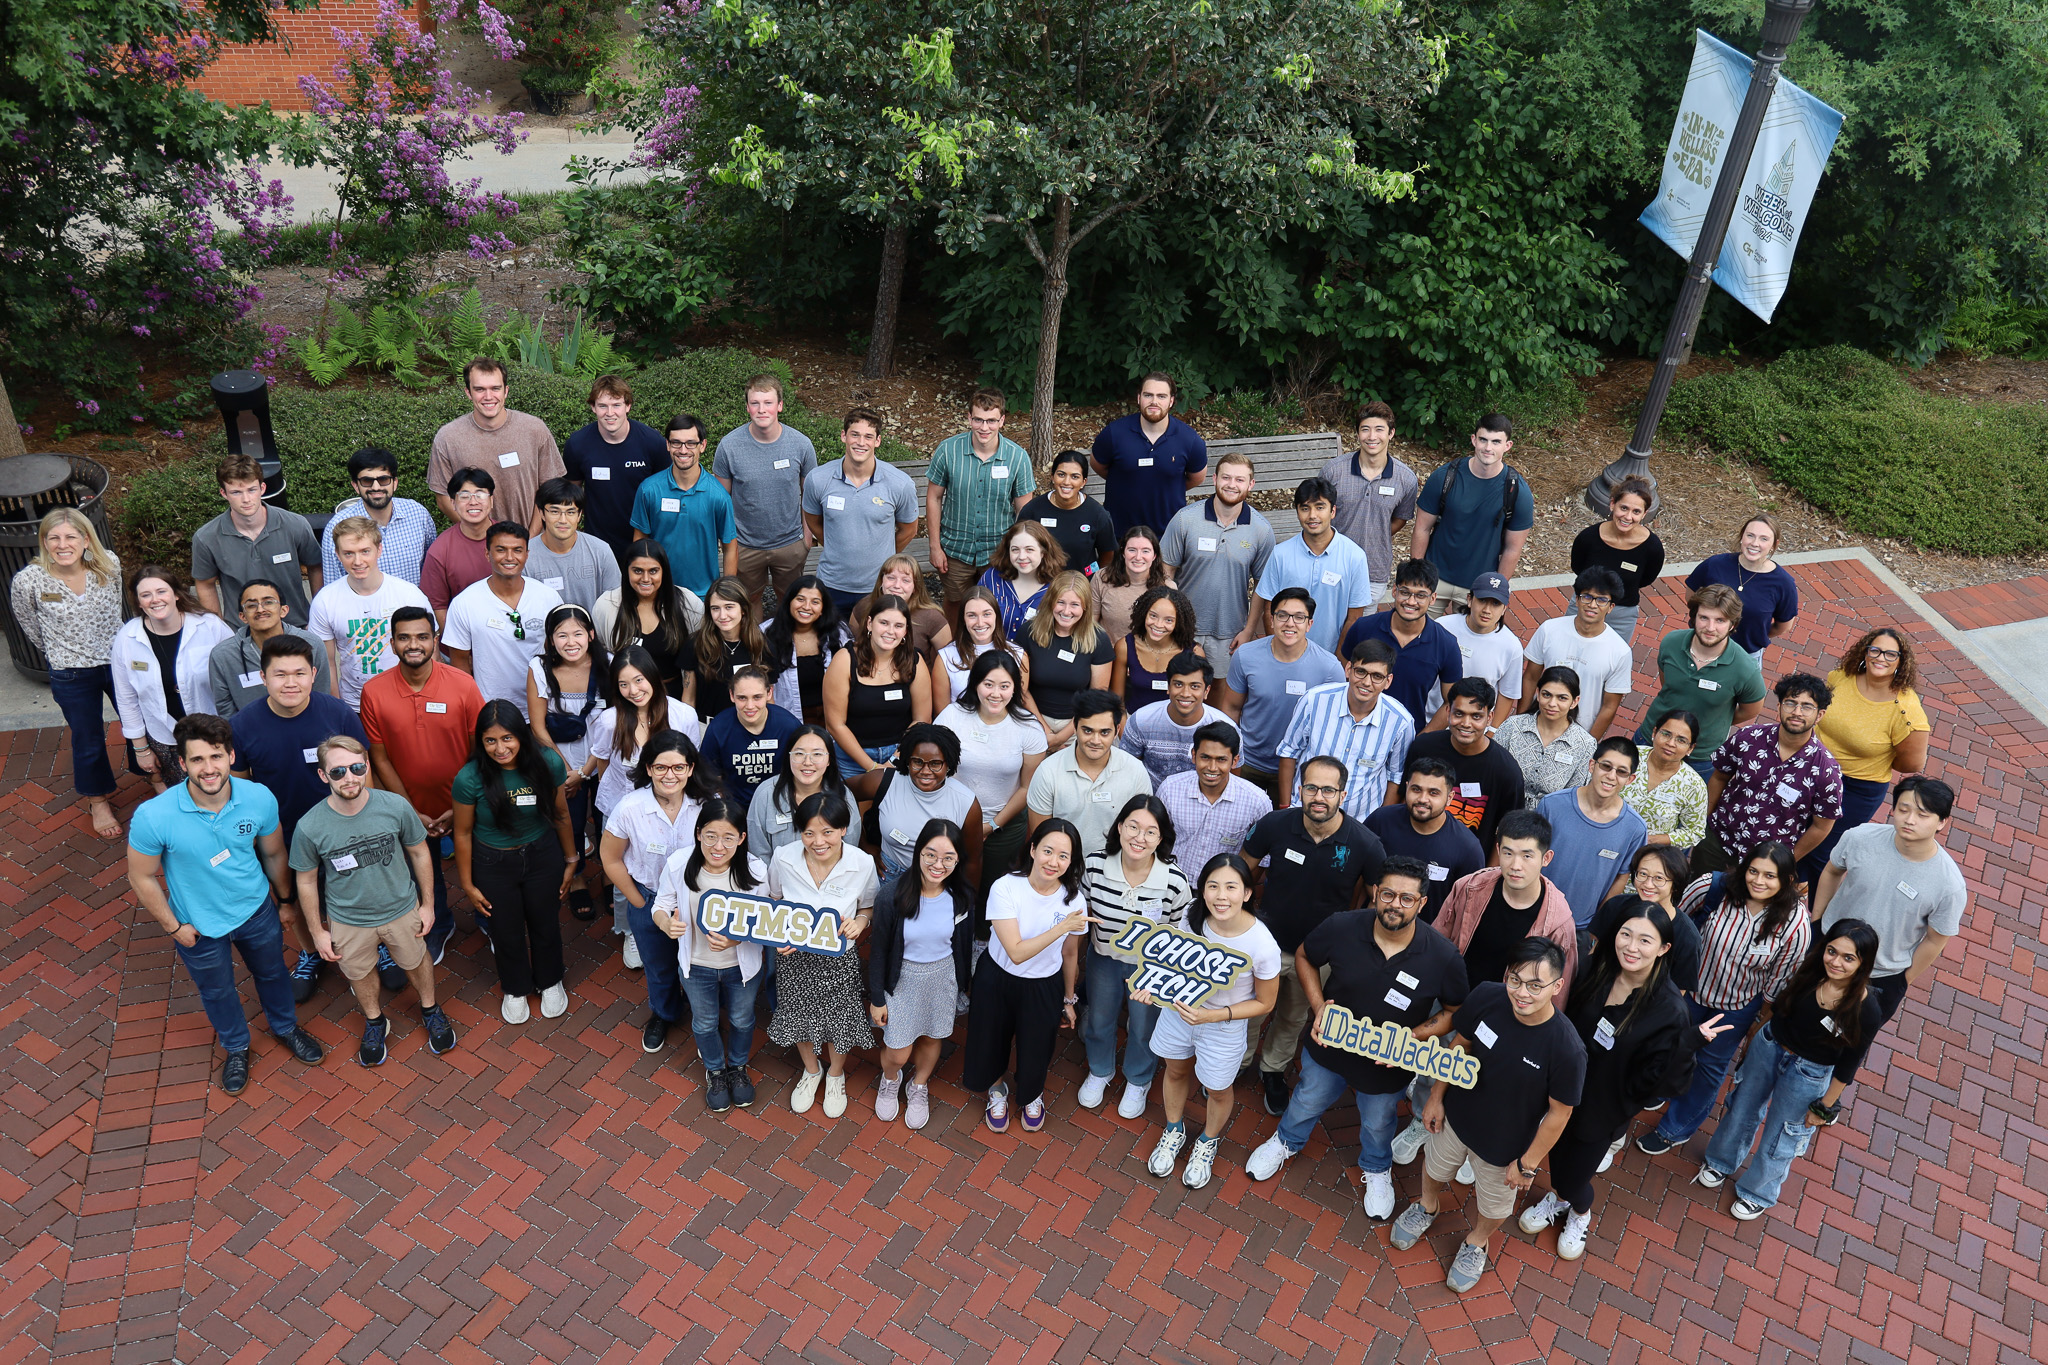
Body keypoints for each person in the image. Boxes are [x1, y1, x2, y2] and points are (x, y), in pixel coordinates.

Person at [1245, 857, 1468, 1217]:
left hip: (1387, 1065)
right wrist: (1319, 1006)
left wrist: (1413, 1036)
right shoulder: (1342, 926)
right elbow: (1304, 956)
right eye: (1388, 894)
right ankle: (1286, 1141)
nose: (1395, 904)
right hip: (1329, 1048)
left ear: (1422, 903)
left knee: (1379, 1123)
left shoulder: (1443, 956)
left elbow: (1455, 1011)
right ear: (1375, 893)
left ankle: (1377, 1168)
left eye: (1407, 898)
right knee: (1306, 1099)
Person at [125, 714, 326, 1095]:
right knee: (217, 992)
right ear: (182, 763)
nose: (208, 768)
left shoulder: (258, 797)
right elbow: (141, 877)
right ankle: (236, 1047)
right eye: (197, 759)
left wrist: (285, 902)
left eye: (216, 756)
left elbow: (274, 854)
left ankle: (285, 1027)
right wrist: (173, 927)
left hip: (256, 911)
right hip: (197, 926)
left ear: (231, 756)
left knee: (273, 974)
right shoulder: (154, 816)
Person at [1518, 906, 1722, 1259]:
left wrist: (1686, 1046)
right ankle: (1561, 1198)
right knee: (1555, 1155)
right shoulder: (1598, 968)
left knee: (1572, 1177)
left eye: (1645, 940)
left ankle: (1579, 1211)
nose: (1631, 946)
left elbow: (1658, 1083)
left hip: (1602, 1107)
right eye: (1626, 934)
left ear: (1663, 948)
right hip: (1561, 1090)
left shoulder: (1669, 1010)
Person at [1390, 937, 1583, 1294]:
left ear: (1557, 987)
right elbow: (1460, 1044)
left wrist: (1527, 1164)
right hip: (1455, 1119)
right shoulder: (1488, 996)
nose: (1521, 993)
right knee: (1434, 1169)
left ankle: (1476, 1243)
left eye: (1535, 985)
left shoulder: (1567, 1049)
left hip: (1504, 1147)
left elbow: (1560, 1114)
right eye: (1515, 979)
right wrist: (1436, 1097)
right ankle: (1427, 1207)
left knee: (1494, 1208)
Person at [1696, 919, 1884, 1220]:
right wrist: (1757, 1037)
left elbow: (1849, 1064)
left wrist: (1824, 1108)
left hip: (1809, 1073)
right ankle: (1720, 1161)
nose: (1835, 962)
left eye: (1848, 958)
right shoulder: (1810, 971)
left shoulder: (1867, 1010)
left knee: (1783, 1134)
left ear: (1864, 963)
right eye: (1832, 951)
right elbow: (1781, 1005)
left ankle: (1758, 1192)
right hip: (1770, 1046)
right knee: (1741, 1106)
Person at [1636, 840, 1811, 1155]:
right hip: (1686, 991)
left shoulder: (1795, 923)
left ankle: (1675, 1128)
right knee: (1666, 1042)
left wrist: (1758, 1022)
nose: (1759, 881)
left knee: (1708, 1067)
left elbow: (1781, 978)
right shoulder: (1714, 888)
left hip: (1736, 1006)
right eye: (1753, 871)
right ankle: (1659, 1088)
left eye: (1770, 876)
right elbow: (1672, 921)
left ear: (1786, 880)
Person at [290, 735, 455, 1066]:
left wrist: (427, 905)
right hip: (348, 919)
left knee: (416, 960)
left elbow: (420, 852)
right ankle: (375, 1020)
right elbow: (305, 880)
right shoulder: (309, 826)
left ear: (366, 766)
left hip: (401, 908)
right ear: (323, 775)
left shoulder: (395, 806)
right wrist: (317, 931)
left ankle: (430, 1008)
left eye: (356, 768)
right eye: (338, 772)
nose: (349, 777)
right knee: (359, 972)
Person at [1241, 755, 1386, 1113]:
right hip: (1265, 945)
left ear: (1343, 794)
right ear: (1299, 789)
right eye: (1311, 788)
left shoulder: (1365, 843)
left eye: (1328, 790)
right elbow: (1241, 871)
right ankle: (1238, 1061)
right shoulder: (1275, 824)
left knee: (1293, 1016)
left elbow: (1377, 901)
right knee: (1250, 1011)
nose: (1319, 797)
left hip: (1318, 955)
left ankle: (1272, 1069)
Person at [229, 633, 370, 1000]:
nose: (290, 683)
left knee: (353, 891)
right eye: (280, 674)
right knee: (292, 899)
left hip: (342, 828)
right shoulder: (243, 725)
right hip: (283, 835)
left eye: (299, 673)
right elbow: (240, 786)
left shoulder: (337, 714)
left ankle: (373, 946)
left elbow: (362, 770)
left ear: (314, 674)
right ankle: (310, 952)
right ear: (264, 677)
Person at [1140, 853, 1284, 1189]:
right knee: (1175, 1070)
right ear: (1202, 890)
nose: (1221, 896)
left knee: (1218, 1090)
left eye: (1231, 887)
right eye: (1213, 886)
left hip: (1223, 1026)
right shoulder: (1193, 916)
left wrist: (1213, 1015)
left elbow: (1266, 1002)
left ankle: (1207, 1141)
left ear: (1247, 893)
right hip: (1178, 1013)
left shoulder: (1262, 945)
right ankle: (1173, 1129)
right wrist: (1153, 985)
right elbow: (1173, 963)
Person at [362, 606, 486, 962]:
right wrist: (409, 811)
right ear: (392, 643)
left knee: (481, 866)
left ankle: (487, 921)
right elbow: (379, 758)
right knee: (421, 874)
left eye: (421, 636)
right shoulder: (374, 691)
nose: (413, 645)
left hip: (464, 804)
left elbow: (479, 751)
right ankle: (440, 924)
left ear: (435, 639)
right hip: (409, 808)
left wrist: (460, 805)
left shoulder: (463, 684)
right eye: (404, 638)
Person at [960, 818, 1089, 1133]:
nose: (1053, 861)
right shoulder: (1005, 887)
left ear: (1071, 861)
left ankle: (1031, 1094)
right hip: (998, 977)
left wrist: (1068, 998)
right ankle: (996, 1090)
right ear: (1032, 850)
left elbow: (1070, 954)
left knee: (1037, 1046)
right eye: (1048, 851)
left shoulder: (1074, 900)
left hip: (1044, 984)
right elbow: (1016, 952)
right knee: (991, 1039)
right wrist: (1061, 927)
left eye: (1063, 856)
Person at [452, 701, 577, 1023]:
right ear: (480, 741)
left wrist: (571, 858)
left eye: (507, 738)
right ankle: (516, 987)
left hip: (542, 854)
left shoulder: (548, 762)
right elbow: (462, 833)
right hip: (493, 862)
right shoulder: (469, 778)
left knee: (545, 922)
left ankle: (550, 980)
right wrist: (467, 883)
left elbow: (561, 813)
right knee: (505, 930)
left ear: (521, 735)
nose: (500, 748)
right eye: (490, 740)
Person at [1809, 775, 1966, 1029]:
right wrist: (1818, 922)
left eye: (1922, 815)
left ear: (1942, 822)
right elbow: (1832, 871)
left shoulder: (1949, 885)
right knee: (1792, 1010)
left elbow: (1936, 939)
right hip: (1828, 950)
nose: (1910, 820)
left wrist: (1903, 980)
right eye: (1903, 810)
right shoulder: (1860, 837)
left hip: (1880, 976)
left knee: (1842, 1039)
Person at [1076, 795, 1195, 1119]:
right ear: (1119, 827)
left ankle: (1138, 1078)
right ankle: (1100, 1070)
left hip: (1151, 968)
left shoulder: (1174, 881)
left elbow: (1179, 935)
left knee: (1143, 1026)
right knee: (1100, 1019)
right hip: (1103, 958)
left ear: (1161, 837)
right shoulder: (1095, 865)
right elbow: (1082, 912)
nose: (1139, 838)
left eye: (1150, 831)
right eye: (1133, 827)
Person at [646, 796, 767, 1109]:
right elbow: (661, 905)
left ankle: (737, 1067)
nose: (718, 846)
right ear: (698, 833)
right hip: (696, 965)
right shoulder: (679, 864)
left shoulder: (755, 870)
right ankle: (715, 1071)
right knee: (704, 1023)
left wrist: (735, 940)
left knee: (742, 1020)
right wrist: (664, 923)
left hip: (741, 967)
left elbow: (764, 921)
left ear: (742, 838)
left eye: (728, 838)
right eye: (711, 836)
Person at [602, 729, 718, 1052]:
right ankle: (664, 1013)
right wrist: (639, 902)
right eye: (661, 767)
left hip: (697, 901)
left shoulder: (708, 804)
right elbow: (610, 859)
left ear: (690, 768)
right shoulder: (629, 808)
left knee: (701, 964)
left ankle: (705, 1018)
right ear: (648, 768)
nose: (670, 775)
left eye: (678, 767)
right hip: (649, 897)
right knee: (658, 965)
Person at [765, 791, 879, 1118]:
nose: (818, 842)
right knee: (798, 1015)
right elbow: (774, 900)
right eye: (809, 833)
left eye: (827, 832)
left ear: (843, 829)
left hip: (839, 957)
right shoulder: (783, 858)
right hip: (794, 955)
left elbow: (867, 906)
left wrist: (860, 923)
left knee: (839, 1019)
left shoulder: (861, 863)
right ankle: (811, 1070)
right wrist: (779, 935)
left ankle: (836, 1075)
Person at [13, 509, 126, 837]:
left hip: (117, 662)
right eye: (54, 538)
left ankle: (156, 775)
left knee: (141, 723)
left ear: (86, 539)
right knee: (88, 738)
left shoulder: (109, 565)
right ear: (44, 542)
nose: (62, 545)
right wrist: (59, 650)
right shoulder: (29, 581)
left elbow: (116, 610)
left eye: (70, 537)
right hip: (71, 672)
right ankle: (98, 799)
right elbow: (30, 625)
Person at [868, 819, 977, 1130]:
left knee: (931, 1038)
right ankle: (891, 1078)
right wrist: (877, 997)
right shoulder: (892, 896)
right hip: (901, 980)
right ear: (919, 853)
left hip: (942, 977)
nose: (938, 865)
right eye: (931, 855)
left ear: (957, 860)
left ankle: (919, 1085)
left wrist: (963, 985)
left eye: (948, 858)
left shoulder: (962, 897)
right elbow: (878, 951)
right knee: (898, 1050)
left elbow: (964, 945)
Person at [1806, 625, 1932, 882]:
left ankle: (1813, 903)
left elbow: (1911, 763)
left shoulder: (1906, 711)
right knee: (1794, 830)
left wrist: (1869, 757)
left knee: (1821, 854)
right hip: (1813, 769)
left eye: (1890, 654)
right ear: (1865, 652)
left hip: (1855, 788)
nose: (1880, 658)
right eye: (1875, 650)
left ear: (1901, 662)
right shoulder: (1841, 677)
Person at [1695, 674, 1843, 880]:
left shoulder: (1826, 770)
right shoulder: (1748, 738)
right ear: (1779, 706)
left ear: (1819, 715)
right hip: (1717, 841)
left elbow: (1822, 826)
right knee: (1694, 892)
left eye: (1807, 706)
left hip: (1766, 864)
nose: (1797, 712)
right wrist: (1702, 825)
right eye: (1790, 703)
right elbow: (1720, 777)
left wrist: (1787, 862)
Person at [1430, 809, 1581, 1005]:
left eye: (1527, 856)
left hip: (1505, 1015)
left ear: (1546, 858)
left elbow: (1556, 997)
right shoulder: (1469, 887)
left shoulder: (1559, 925)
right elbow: (1436, 943)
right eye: (1508, 853)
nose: (1515, 865)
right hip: (1450, 1001)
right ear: (1498, 850)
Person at [935, 651, 1048, 901]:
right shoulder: (952, 715)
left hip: (1003, 827)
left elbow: (1027, 787)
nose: (996, 694)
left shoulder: (1029, 727)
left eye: (1004, 686)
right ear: (976, 683)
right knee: (947, 888)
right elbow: (935, 769)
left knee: (994, 894)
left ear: (1014, 688)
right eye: (988, 684)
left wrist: (992, 825)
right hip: (950, 820)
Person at [112, 564, 234, 788]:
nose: (155, 599)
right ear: (138, 602)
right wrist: (141, 749)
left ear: (176, 594)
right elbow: (126, 698)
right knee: (181, 797)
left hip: (215, 734)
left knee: (222, 791)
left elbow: (235, 675)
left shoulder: (210, 626)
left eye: (161, 591)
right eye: (146, 595)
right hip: (165, 739)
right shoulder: (127, 638)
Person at [926, 387, 1035, 633]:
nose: (984, 427)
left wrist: (1019, 553)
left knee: (994, 607)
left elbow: (1025, 512)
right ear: (969, 418)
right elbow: (934, 497)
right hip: (955, 549)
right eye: (978, 420)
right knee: (955, 603)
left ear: (1002, 420)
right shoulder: (948, 450)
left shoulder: (1017, 457)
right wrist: (934, 546)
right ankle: (952, 648)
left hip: (998, 552)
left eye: (991, 421)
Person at [1214, 587, 1344, 795]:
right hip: (1248, 761)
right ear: (1272, 620)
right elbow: (1231, 708)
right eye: (1282, 615)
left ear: (1309, 624)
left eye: (1299, 617)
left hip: (1298, 768)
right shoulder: (1246, 656)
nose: (1290, 623)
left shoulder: (1329, 668)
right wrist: (1229, 754)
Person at [526, 604, 608, 918]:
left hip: (602, 763)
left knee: (607, 821)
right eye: (562, 635)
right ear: (551, 639)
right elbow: (538, 727)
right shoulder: (539, 668)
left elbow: (616, 724)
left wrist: (585, 772)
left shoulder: (609, 664)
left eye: (577, 633)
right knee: (568, 823)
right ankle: (577, 877)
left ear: (590, 635)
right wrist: (566, 771)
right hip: (561, 766)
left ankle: (610, 875)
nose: (570, 642)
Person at [1408, 413, 1534, 617]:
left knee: (1468, 638)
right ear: (1474, 439)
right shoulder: (1445, 476)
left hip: (1478, 586)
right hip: (1433, 577)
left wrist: (1495, 590)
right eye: (1483, 439)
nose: (1488, 447)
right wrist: (1417, 574)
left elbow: (1513, 548)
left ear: (1508, 446)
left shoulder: (1517, 491)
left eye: (1496, 442)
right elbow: (1422, 527)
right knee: (1416, 631)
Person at [1634, 584, 1765, 778]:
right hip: (1651, 739)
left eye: (1720, 620)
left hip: (1700, 757)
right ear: (1694, 617)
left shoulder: (1745, 669)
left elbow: (1751, 710)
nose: (1710, 628)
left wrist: (1715, 719)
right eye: (1704, 618)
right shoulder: (1671, 642)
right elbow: (1667, 683)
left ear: (1732, 624)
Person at [1275, 639, 1413, 819]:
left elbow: (1395, 777)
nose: (1367, 682)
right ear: (1348, 669)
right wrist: (1286, 808)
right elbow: (1289, 752)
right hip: (1304, 813)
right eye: (1361, 672)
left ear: (1388, 681)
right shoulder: (1314, 700)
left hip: (1361, 822)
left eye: (1377, 676)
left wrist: (1380, 823)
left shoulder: (1400, 722)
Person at [802, 405, 920, 614]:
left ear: (878, 441)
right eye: (855, 435)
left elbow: (909, 529)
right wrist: (837, 546)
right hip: (831, 583)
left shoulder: (899, 483)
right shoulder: (818, 479)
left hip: (877, 586)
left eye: (868, 436)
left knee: (875, 634)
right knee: (830, 635)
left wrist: (882, 557)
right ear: (844, 436)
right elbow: (812, 520)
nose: (861, 442)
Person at [714, 372, 818, 610]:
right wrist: (729, 542)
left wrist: (806, 538)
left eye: (768, 402)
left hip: (790, 543)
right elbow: (722, 500)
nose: (762, 409)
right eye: (755, 403)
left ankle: (784, 635)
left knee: (790, 601)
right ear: (747, 407)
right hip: (745, 545)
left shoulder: (801, 444)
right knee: (748, 602)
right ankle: (755, 637)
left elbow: (811, 495)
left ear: (779, 405)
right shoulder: (729, 446)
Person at [306, 516, 433, 709]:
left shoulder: (409, 595)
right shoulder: (325, 600)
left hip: (407, 700)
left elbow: (431, 654)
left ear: (379, 550)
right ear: (337, 555)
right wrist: (337, 708)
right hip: (354, 704)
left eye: (365, 551)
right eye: (349, 553)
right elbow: (327, 663)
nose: (358, 561)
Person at [851, 723, 984, 907]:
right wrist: (863, 844)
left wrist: (965, 905)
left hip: (939, 883)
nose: (925, 771)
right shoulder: (884, 781)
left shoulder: (966, 803)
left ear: (949, 763)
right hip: (887, 875)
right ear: (907, 760)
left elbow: (972, 861)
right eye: (918, 762)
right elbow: (842, 795)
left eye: (935, 764)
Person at [1160, 450, 1274, 662]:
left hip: (1230, 631)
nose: (1231, 485)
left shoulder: (1261, 530)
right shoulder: (1185, 520)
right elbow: (1165, 569)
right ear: (1214, 479)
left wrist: (1249, 630)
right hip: (1183, 627)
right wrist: (1169, 605)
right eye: (1226, 477)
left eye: (1239, 479)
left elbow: (1262, 586)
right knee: (1179, 681)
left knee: (1222, 683)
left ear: (1251, 484)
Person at [428, 358, 565, 531]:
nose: (488, 396)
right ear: (468, 392)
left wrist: (529, 539)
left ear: (505, 391)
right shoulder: (448, 438)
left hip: (534, 541)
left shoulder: (534, 429)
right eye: (479, 389)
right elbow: (443, 499)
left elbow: (550, 490)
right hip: (478, 542)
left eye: (495, 388)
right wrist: (480, 537)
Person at [442, 522, 563, 712]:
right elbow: (460, 663)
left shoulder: (548, 597)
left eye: (517, 550)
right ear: (487, 554)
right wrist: (473, 708)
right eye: (501, 550)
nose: (509, 557)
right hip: (491, 711)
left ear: (527, 554)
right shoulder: (465, 603)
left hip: (544, 708)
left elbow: (558, 653)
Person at [190, 454, 321, 627]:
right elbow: (205, 584)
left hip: (296, 627)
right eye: (236, 492)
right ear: (223, 493)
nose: (246, 499)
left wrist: (318, 619)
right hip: (242, 632)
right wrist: (218, 631)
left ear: (262, 488)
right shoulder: (206, 538)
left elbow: (316, 567)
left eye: (252, 490)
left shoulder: (295, 525)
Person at [1535, 737, 1650, 930]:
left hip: (1580, 928)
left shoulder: (1635, 829)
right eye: (1606, 766)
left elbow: (1621, 878)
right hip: (1532, 912)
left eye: (1621, 772)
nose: (1611, 776)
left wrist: (1597, 928)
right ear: (1592, 765)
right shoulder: (1552, 805)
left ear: (1630, 779)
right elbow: (1529, 855)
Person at [1253, 478, 1374, 655]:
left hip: (1330, 655)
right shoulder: (1280, 554)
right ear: (1297, 512)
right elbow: (1269, 609)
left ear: (1333, 511)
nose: (1312, 515)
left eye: (1319, 507)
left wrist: (1338, 662)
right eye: (1305, 508)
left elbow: (1354, 617)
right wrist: (1278, 655)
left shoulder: (1355, 557)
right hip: (1287, 655)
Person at [1405, 679, 1526, 856]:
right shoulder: (1424, 748)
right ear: (1448, 711)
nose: (1466, 723)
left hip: (1469, 865)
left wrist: (1486, 872)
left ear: (1489, 718)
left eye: (1476, 716)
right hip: (1412, 854)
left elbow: (1508, 833)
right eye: (1459, 714)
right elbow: (1402, 800)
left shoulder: (1506, 771)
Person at [1025, 690, 1152, 859]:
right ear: (1075, 727)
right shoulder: (1048, 771)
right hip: (1063, 868)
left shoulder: (1135, 770)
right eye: (1088, 731)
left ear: (1117, 731)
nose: (1095, 740)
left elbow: (1142, 832)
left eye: (1104, 732)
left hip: (1117, 867)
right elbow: (1042, 837)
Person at [1318, 401, 1419, 606]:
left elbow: (1401, 518)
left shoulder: (1406, 479)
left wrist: (1375, 534)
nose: (1372, 436)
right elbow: (1318, 513)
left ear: (1391, 433)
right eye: (1365, 429)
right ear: (1357, 434)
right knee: (1325, 616)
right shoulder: (1333, 471)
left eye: (1379, 429)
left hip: (1374, 567)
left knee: (1364, 622)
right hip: (1331, 563)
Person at [628, 412, 738, 599]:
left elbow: (730, 548)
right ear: (668, 445)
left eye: (691, 443)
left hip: (703, 596)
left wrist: (726, 594)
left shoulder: (718, 496)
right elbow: (640, 542)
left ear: (702, 446)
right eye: (676, 443)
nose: (683, 450)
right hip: (659, 593)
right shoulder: (649, 490)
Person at [1365, 756, 1486, 925]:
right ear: (1406, 787)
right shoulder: (1380, 821)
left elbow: (1466, 909)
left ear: (1450, 797)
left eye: (1433, 793)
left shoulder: (1467, 848)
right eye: (1416, 789)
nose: (1422, 799)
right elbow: (1358, 876)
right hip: (1373, 925)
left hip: (1429, 935)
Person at [1339, 559, 1463, 724]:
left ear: (1433, 598)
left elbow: (1452, 702)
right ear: (1394, 591)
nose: (1411, 601)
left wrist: (1423, 737)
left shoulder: (1446, 645)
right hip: (1354, 724)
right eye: (1405, 592)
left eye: (1420, 595)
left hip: (1409, 733)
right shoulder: (1364, 628)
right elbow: (1342, 672)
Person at [823, 593, 932, 778]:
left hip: (902, 753)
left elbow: (922, 718)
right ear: (869, 624)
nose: (890, 631)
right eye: (884, 623)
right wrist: (872, 767)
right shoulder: (845, 660)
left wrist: (894, 760)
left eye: (898, 626)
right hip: (853, 757)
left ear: (906, 631)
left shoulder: (914, 661)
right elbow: (835, 724)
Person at [563, 374, 667, 562]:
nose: (610, 413)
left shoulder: (652, 443)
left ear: (628, 406)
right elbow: (571, 494)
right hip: (597, 545)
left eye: (616, 405)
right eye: (603, 406)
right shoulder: (578, 444)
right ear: (593, 407)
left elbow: (665, 491)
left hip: (645, 543)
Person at [1090, 372, 1207, 536]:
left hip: (1168, 534)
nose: (1154, 401)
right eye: (1148, 395)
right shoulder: (1114, 433)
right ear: (1139, 398)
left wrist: (1166, 486)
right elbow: (1097, 465)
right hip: (1120, 533)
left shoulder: (1189, 439)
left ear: (1171, 401)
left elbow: (1197, 478)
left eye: (1161, 396)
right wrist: (1127, 478)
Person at [1522, 567, 1632, 737]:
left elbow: (1610, 706)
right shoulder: (1549, 629)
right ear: (1577, 600)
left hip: (1580, 733)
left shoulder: (1620, 651)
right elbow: (1530, 678)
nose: (1592, 605)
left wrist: (1589, 744)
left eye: (1602, 600)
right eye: (1587, 596)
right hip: (1538, 724)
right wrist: (1521, 722)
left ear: (1611, 607)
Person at [1157, 721, 1272, 878]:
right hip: (1172, 880)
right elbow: (1155, 838)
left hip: (1222, 888)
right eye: (1205, 757)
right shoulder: (1170, 789)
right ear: (1193, 755)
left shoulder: (1257, 801)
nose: (1212, 767)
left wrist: (1237, 886)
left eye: (1221, 759)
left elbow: (1262, 858)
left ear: (1235, 761)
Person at [209, 578, 332, 718]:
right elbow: (225, 708)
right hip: (249, 730)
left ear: (283, 610)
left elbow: (320, 694)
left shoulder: (312, 644)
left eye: (268, 602)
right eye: (251, 605)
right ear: (242, 616)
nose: (260, 609)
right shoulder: (223, 655)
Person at [1018, 571, 1114, 750]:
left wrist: (1061, 737)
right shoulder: (1028, 632)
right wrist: (1046, 732)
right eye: (1060, 602)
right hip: (1033, 721)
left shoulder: (1099, 639)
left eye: (1074, 604)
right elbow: (1021, 689)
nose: (1066, 611)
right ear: (1051, 601)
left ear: (1085, 607)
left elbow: (1097, 696)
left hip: (1078, 724)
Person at [595, 541, 705, 697]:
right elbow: (601, 654)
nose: (645, 578)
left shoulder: (687, 603)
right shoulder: (606, 606)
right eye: (637, 571)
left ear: (664, 571)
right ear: (626, 571)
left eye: (653, 571)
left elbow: (700, 652)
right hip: (628, 698)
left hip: (676, 697)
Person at [746, 723, 865, 863]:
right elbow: (759, 855)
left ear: (829, 760)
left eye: (817, 754)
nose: (807, 762)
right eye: (799, 754)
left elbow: (849, 850)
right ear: (789, 756)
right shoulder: (766, 794)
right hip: (778, 876)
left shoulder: (843, 795)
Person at [1589, 846, 1701, 994]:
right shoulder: (1615, 906)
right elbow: (1595, 952)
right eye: (1642, 874)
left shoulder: (1687, 937)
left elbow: (1678, 991)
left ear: (1676, 884)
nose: (1648, 884)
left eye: (1659, 878)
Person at [318, 447, 436, 587]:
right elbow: (334, 585)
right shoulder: (337, 526)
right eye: (367, 481)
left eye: (383, 479)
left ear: (395, 483)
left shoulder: (418, 514)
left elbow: (432, 568)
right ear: (356, 486)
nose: (376, 487)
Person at [1685, 514, 1799, 659]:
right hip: (1702, 647)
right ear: (1742, 537)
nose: (1755, 543)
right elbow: (1691, 599)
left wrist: (1753, 637)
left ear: (1774, 544)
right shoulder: (1714, 565)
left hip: (1744, 656)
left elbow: (1783, 626)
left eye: (1764, 539)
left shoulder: (1783, 583)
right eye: (1750, 535)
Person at [1569, 476, 1664, 644]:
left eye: (1636, 511)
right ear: (1613, 504)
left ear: (1644, 513)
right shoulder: (1588, 538)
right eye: (1624, 508)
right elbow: (1578, 567)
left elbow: (1645, 579)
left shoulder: (1652, 548)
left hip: (1621, 614)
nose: (1628, 517)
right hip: (1584, 605)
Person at [1117, 652, 1230, 785]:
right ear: (1168, 687)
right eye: (1178, 684)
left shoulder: (1226, 727)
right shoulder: (1141, 721)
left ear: (1206, 691)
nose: (1185, 693)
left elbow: (1231, 778)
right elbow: (1127, 768)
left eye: (1194, 686)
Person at [1429, 573, 1522, 732]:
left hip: (1473, 731)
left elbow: (1507, 694)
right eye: (1482, 600)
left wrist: (1491, 731)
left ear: (1504, 609)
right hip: (1430, 720)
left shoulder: (1512, 647)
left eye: (1495, 604)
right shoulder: (1442, 627)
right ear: (1470, 600)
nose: (1487, 610)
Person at [700, 666, 802, 806]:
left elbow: (803, 769)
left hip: (779, 803)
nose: (750, 706)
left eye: (757, 697)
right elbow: (710, 778)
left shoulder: (788, 726)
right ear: (732, 695)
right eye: (742, 698)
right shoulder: (718, 728)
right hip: (735, 807)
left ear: (769, 693)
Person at [1497, 666, 1595, 809]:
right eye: (1547, 695)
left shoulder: (1585, 744)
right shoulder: (1513, 726)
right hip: (1500, 808)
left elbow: (1574, 796)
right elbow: (1491, 769)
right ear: (1538, 694)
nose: (1552, 703)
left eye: (1562, 698)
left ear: (1574, 701)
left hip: (1547, 818)